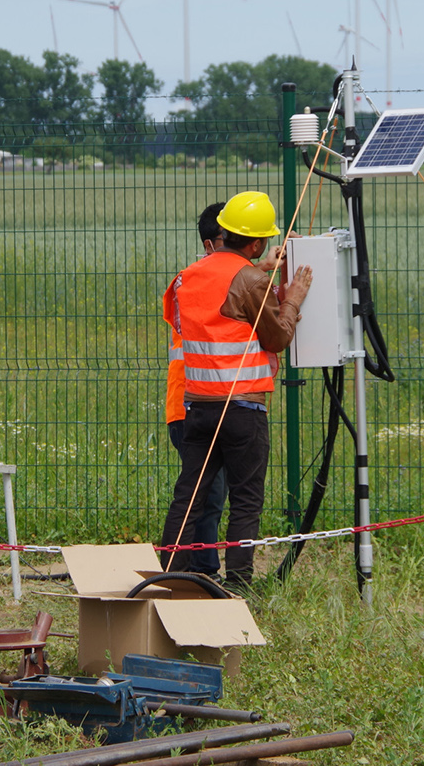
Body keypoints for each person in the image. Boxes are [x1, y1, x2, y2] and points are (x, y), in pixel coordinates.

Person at [158, 191, 312, 589]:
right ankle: (240, 583)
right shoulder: (251, 280)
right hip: (243, 408)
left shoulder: (185, 277)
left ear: (222, 231)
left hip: (196, 406)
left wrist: (258, 271)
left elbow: (215, 303)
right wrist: (291, 298)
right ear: (257, 241)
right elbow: (276, 338)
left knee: (189, 494)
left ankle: (168, 575)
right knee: (245, 499)